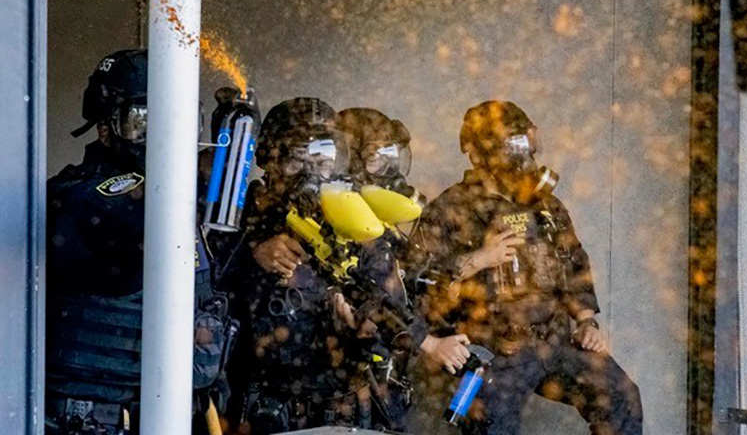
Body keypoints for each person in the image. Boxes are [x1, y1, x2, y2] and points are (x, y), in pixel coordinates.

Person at [406, 100, 643, 435]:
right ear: (479, 155)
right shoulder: (450, 209)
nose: (522, 158)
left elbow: (573, 263)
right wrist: (479, 259)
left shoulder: (545, 206)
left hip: (554, 338)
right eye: (510, 147)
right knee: (491, 426)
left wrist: (586, 321)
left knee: (622, 397)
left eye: (523, 146)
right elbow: (415, 278)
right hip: (493, 348)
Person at [46, 49, 236, 434]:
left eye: (178, 121)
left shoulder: (182, 200)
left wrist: (230, 161)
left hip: (176, 416)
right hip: (97, 421)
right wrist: (206, 175)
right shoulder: (80, 195)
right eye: (144, 123)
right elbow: (126, 214)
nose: (165, 138)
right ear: (105, 127)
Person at [233, 97, 413, 433]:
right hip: (267, 408)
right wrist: (252, 255)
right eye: (297, 160)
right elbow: (201, 301)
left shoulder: (356, 225)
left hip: (343, 410)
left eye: (323, 160)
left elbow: (394, 328)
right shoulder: (240, 217)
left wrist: (360, 334)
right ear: (269, 161)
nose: (312, 175)